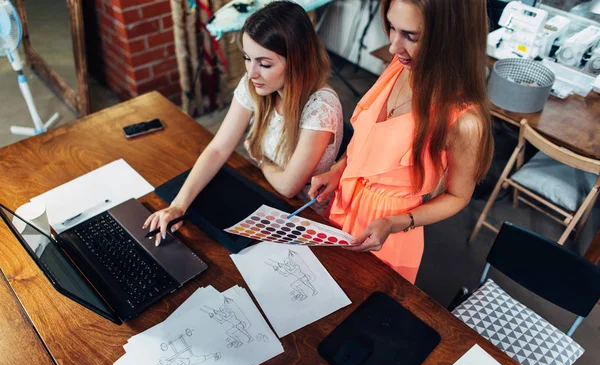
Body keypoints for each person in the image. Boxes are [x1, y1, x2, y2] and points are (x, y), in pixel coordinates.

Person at [309, 0, 494, 284]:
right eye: (392, 28)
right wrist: (339, 168)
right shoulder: (399, 66)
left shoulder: (465, 121)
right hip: (344, 206)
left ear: (452, 37)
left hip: (389, 234)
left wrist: (398, 222)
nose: (394, 47)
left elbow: (458, 196)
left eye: (411, 36)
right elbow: (368, 138)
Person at [144, 1, 343, 245]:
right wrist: (178, 205)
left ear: (297, 61)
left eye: (265, 64)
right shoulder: (256, 85)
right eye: (247, 58)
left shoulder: (321, 107)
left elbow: (289, 186)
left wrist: (259, 158)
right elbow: (218, 148)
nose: (251, 72)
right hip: (268, 197)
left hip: (307, 217)